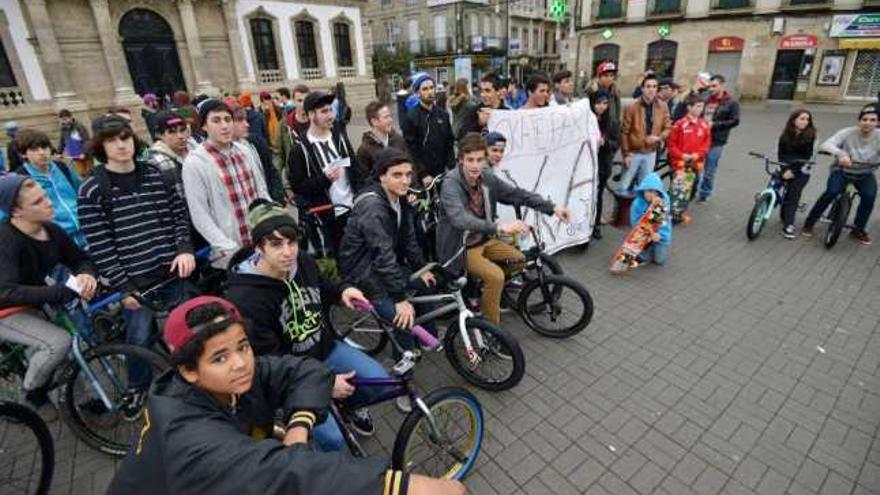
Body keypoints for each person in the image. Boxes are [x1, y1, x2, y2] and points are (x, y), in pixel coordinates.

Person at [106, 296, 466, 495]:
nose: (240, 364)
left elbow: (300, 369)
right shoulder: (187, 434)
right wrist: (399, 486)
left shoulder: (217, 382)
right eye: (220, 357)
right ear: (187, 369)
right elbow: (284, 474)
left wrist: (298, 425)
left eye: (243, 347)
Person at [226, 201, 392, 450]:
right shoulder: (245, 298)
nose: (287, 252)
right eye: (276, 244)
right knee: (334, 440)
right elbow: (270, 360)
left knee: (381, 381)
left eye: (291, 242)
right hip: (291, 375)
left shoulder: (301, 261)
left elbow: (324, 287)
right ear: (259, 247)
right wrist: (323, 383)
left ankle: (347, 408)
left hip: (324, 348)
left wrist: (344, 291)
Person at [78, 115, 194, 398]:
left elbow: (179, 215)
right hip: (135, 283)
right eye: (112, 140)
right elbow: (100, 245)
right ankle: (136, 389)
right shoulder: (91, 189)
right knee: (139, 339)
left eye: (125, 137)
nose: (121, 145)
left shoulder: (155, 174)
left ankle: (197, 375)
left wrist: (184, 248)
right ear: (100, 146)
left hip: (171, 271)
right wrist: (124, 287)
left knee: (191, 326)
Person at [437, 133, 571, 326]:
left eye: (480, 159)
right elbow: (459, 219)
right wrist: (499, 226)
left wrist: (553, 208)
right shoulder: (451, 183)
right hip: (461, 247)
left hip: (484, 239)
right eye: (470, 160)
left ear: (485, 159)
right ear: (460, 160)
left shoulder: (487, 178)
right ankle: (492, 330)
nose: (475, 165)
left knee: (519, 260)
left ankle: (485, 291)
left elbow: (517, 194)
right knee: (496, 276)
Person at [0, 175, 98, 419]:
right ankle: (32, 393)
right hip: (6, 309)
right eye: (38, 202)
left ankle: (84, 400)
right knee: (58, 343)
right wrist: (60, 292)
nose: (49, 203)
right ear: (17, 211)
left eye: (45, 196)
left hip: (35, 300)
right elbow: (6, 291)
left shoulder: (51, 230)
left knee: (76, 344)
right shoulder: (6, 239)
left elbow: (80, 258)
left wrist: (86, 275)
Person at [339, 148, 436, 373]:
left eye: (408, 174)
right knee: (403, 319)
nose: (405, 181)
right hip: (363, 272)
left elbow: (409, 239)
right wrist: (400, 299)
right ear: (382, 175)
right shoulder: (372, 207)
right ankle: (402, 375)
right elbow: (382, 255)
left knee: (425, 285)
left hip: (382, 265)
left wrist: (421, 267)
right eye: (397, 175)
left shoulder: (399, 198)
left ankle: (426, 338)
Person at [183, 99, 270, 268]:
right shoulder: (195, 163)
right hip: (231, 253)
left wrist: (271, 224)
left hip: (261, 243)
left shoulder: (245, 151)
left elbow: (261, 191)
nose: (224, 126)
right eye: (216, 120)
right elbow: (200, 214)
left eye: (227, 119)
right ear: (204, 126)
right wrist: (229, 248)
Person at [287, 91, 362, 250]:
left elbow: (353, 166)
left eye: (330, 110)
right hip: (329, 216)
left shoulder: (339, 136)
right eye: (324, 111)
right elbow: (298, 187)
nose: (330, 116)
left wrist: (362, 195)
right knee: (341, 259)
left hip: (354, 208)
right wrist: (324, 178)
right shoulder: (300, 149)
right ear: (311, 115)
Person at [803, 105, 880, 244]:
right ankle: (810, 222)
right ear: (859, 121)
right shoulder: (847, 132)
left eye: (872, 120)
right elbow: (826, 145)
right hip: (842, 171)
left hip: (865, 174)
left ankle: (858, 229)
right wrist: (840, 154)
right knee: (832, 191)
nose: (868, 123)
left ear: (877, 122)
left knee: (869, 197)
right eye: (864, 119)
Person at [9, 129, 86, 247]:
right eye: (34, 149)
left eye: (44, 147)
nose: (42, 153)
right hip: (55, 241)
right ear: (24, 154)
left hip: (85, 232)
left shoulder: (62, 168)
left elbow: (82, 193)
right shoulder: (20, 178)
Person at [619, 74, 672, 195]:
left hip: (650, 153)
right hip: (634, 152)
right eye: (648, 86)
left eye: (654, 86)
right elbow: (624, 132)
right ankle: (619, 212)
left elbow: (668, 127)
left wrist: (658, 138)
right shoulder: (632, 107)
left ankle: (639, 212)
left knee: (645, 187)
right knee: (624, 186)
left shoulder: (662, 106)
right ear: (642, 88)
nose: (651, 89)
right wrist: (626, 154)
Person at [402, 73, 455, 187]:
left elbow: (449, 142)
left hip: (444, 172)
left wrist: (451, 167)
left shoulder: (443, 114)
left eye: (431, 88)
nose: (429, 92)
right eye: (425, 89)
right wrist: (423, 173)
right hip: (424, 176)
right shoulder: (411, 117)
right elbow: (412, 149)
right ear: (417, 93)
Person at [666, 94, 711, 224]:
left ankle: (680, 210)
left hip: (696, 163)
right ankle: (670, 213)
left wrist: (698, 155)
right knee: (678, 188)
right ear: (689, 107)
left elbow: (706, 144)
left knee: (692, 188)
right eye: (697, 106)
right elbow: (671, 144)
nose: (700, 109)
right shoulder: (680, 124)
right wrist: (682, 155)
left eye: (702, 106)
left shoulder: (704, 124)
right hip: (680, 163)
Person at [696, 74, 740, 202]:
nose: (711, 89)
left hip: (716, 141)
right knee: (695, 167)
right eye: (710, 86)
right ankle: (692, 189)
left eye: (714, 86)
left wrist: (715, 125)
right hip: (700, 139)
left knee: (709, 169)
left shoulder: (732, 102)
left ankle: (704, 193)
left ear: (722, 85)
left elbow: (735, 121)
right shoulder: (705, 98)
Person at [776, 110, 816, 239]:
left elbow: (808, 157)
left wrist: (793, 171)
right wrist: (785, 169)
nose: (805, 122)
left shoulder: (811, 136)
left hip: (802, 169)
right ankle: (766, 202)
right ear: (794, 120)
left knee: (793, 196)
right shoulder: (785, 135)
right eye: (802, 118)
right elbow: (781, 154)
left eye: (807, 119)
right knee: (774, 184)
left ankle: (788, 225)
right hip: (786, 166)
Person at [591, 90, 620, 240]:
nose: (601, 107)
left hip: (602, 164)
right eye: (598, 103)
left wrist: (605, 142)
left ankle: (596, 225)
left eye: (605, 103)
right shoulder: (588, 119)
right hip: (587, 164)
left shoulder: (611, 122)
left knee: (598, 195)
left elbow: (616, 143)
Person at [147, 110, 192, 201]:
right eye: (172, 132)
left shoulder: (196, 150)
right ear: (159, 135)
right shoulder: (156, 162)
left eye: (182, 130)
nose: (180, 136)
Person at [629, 172, 672, 267]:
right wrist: (648, 232)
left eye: (654, 192)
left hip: (659, 235)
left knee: (659, 261)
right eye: (648, 191)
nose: (651, 195)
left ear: (658, 192)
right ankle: (645, 251)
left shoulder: (664, 202)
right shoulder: (637, 203)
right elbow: (634, 223)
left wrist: (659, 234)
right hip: (643, 234)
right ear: (643, 190)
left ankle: (653, 248)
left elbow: (664, 222)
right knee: (643, 258)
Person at [356, 101, 407, 178]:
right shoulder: (364, 150)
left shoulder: (398, 140)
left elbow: (410, 167)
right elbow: (365, 180)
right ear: (374, 122)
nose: (390, 120)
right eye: (386, 117)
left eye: (390, 116)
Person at [458, 72, 510, 139]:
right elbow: (462, 136)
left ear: (498, 91)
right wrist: (478, 124)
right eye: (481, 91)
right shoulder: (474, 111)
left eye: (487, 91)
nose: (482, 94)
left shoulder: (507, 112)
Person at [585, 62, 621, 126]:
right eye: (606, 75)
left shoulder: (615, 91)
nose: (609, 78)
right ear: (599, 77)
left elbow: (617, 114)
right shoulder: (591, 91)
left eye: (611, 75)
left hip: (611, 129)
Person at [57, 110, 91, 177]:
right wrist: (59, 153)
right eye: (62, 120)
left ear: (70, 117)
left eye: (65, 119)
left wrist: (84, 153)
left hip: (85, 155)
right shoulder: (63, 129)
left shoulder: (79, 126)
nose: (64, 121)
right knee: (82, 174)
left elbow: (86, 140)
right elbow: (62, 141)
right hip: (75, 156)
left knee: (90, 173)